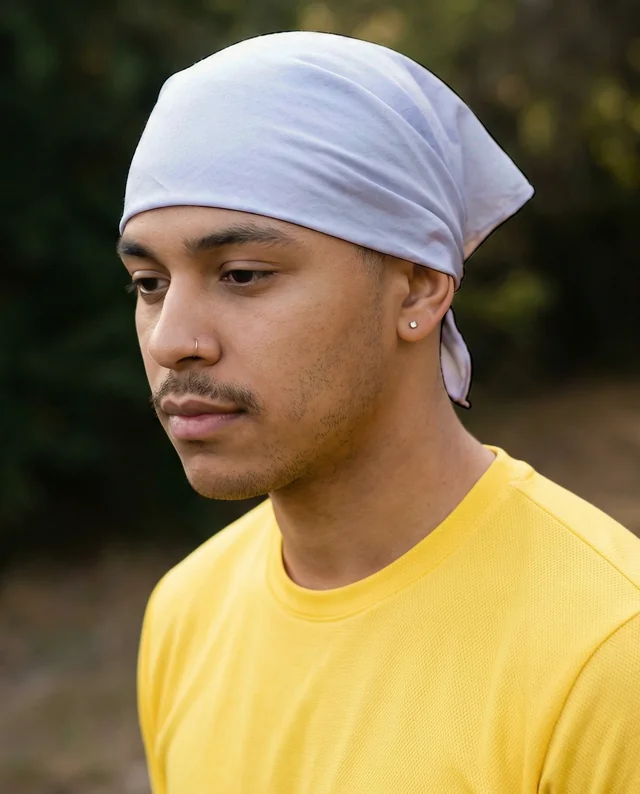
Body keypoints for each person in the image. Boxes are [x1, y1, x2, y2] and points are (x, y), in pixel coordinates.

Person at [117, 31, 640, 793]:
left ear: (420, 288)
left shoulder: (606, 656)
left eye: (241, 274)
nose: (172, 341)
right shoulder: (185, 614)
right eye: (149, 282)